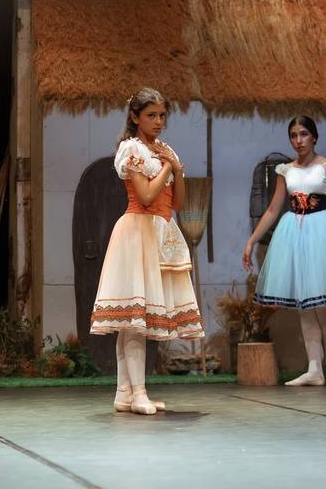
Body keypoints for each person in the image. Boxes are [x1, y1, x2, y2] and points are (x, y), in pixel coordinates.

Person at [89, 87, 204, 414]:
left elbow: (177, 202)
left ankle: (124, 393)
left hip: (160, 232)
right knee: (134, 319)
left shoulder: (164, 150)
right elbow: (147, 195)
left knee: (135, 320)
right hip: (137, 231)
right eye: (151, 115)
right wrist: (168, 167)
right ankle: (137, 393)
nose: (158, 121)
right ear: (135, 117)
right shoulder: (132, 149)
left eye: (162, 115)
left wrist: (176, 169)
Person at [244, 116, 326, 385]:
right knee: (304, 305)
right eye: (293, 135)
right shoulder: (285, 170)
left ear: (314, 136)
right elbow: (272, 209)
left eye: (303, 134)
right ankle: (314, 368)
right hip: (294, 234)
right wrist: (252, 240)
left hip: (321, 233)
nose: (298, 140)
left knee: (323, 305)